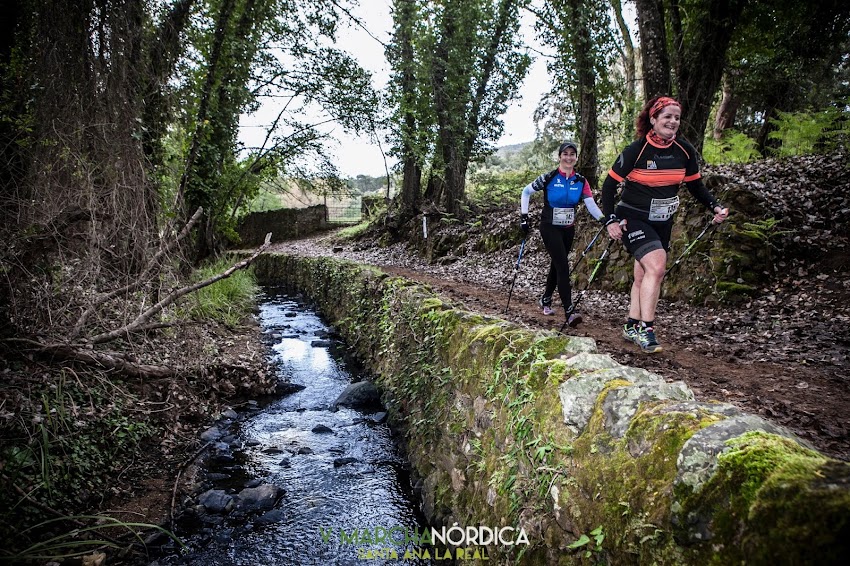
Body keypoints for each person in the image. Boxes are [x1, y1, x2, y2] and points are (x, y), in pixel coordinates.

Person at [601, 95, 729, 353]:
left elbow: (695, 185)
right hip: (634, 217)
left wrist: (714, 205)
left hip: (663, 220)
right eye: (667, 116)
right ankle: (647, 330)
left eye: (677, 118)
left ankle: (631, 325)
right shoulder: (635, 150)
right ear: (653, 119)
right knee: (657, 267)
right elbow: (609, 185)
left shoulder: (684, 152)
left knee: (642, 275)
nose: (672, 122)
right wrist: (610, 219)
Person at [520, 141, 605, 326]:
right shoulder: (549, 178)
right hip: (549, 227)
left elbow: (590, 203)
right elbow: (526, 192)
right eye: (565, 154)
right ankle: (569, 311)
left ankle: (546, 298)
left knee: (557, 265)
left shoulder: (580, 181)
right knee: (563, 266)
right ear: (560, 157)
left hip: (568, 229)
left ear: (576, 157)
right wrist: (524, 218)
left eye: (572, 154)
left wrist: (603, 219)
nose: (568, 157)